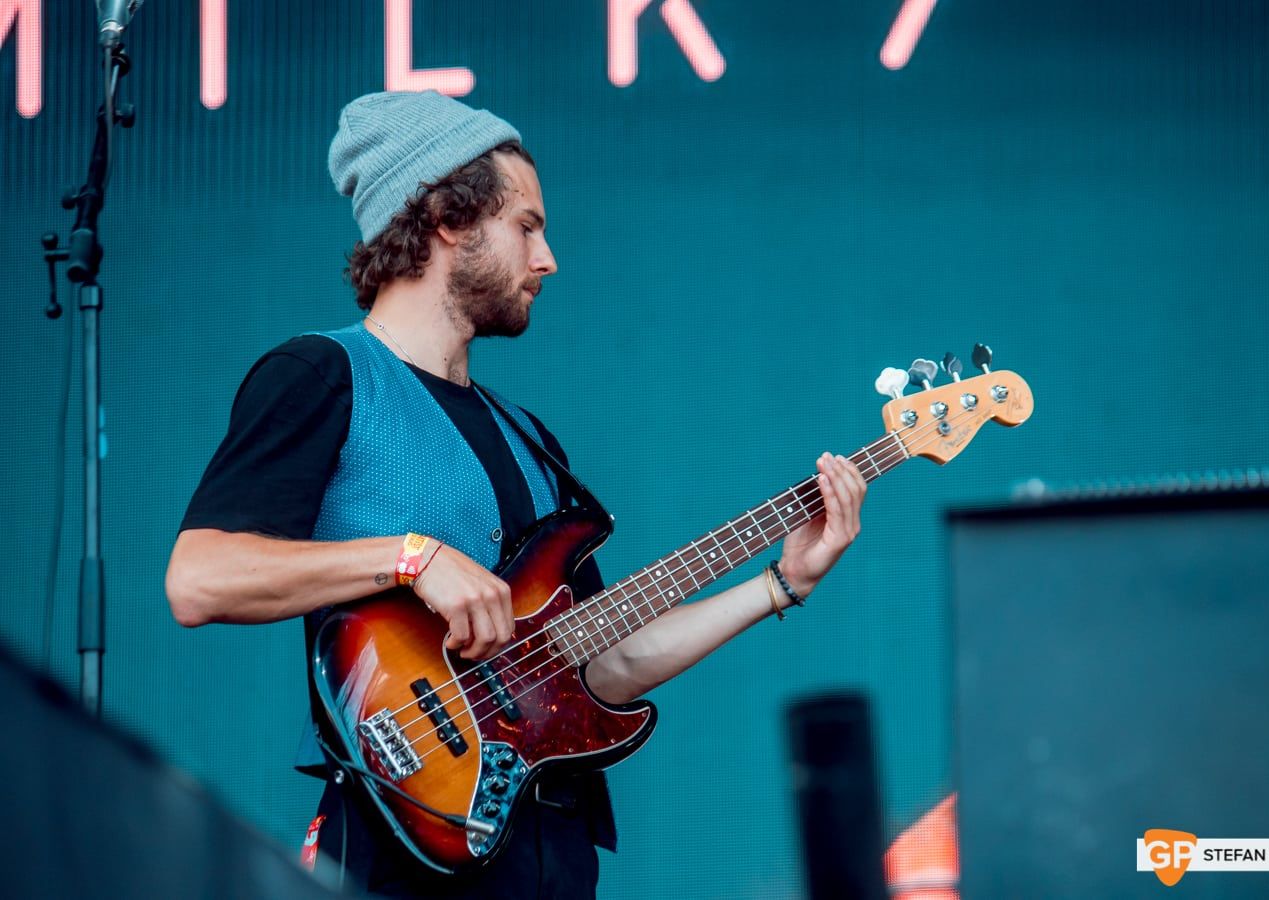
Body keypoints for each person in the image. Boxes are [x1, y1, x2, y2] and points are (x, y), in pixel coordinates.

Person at [165, 90, 868, 899]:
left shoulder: (531, 439)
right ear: (449, 220)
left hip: (545, 853)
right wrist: (411, 559)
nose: (548, 259)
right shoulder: (324, 375)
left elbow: (605, 663)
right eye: (527, 226)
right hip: (401, 841)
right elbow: (198, 578)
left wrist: (780, 585)